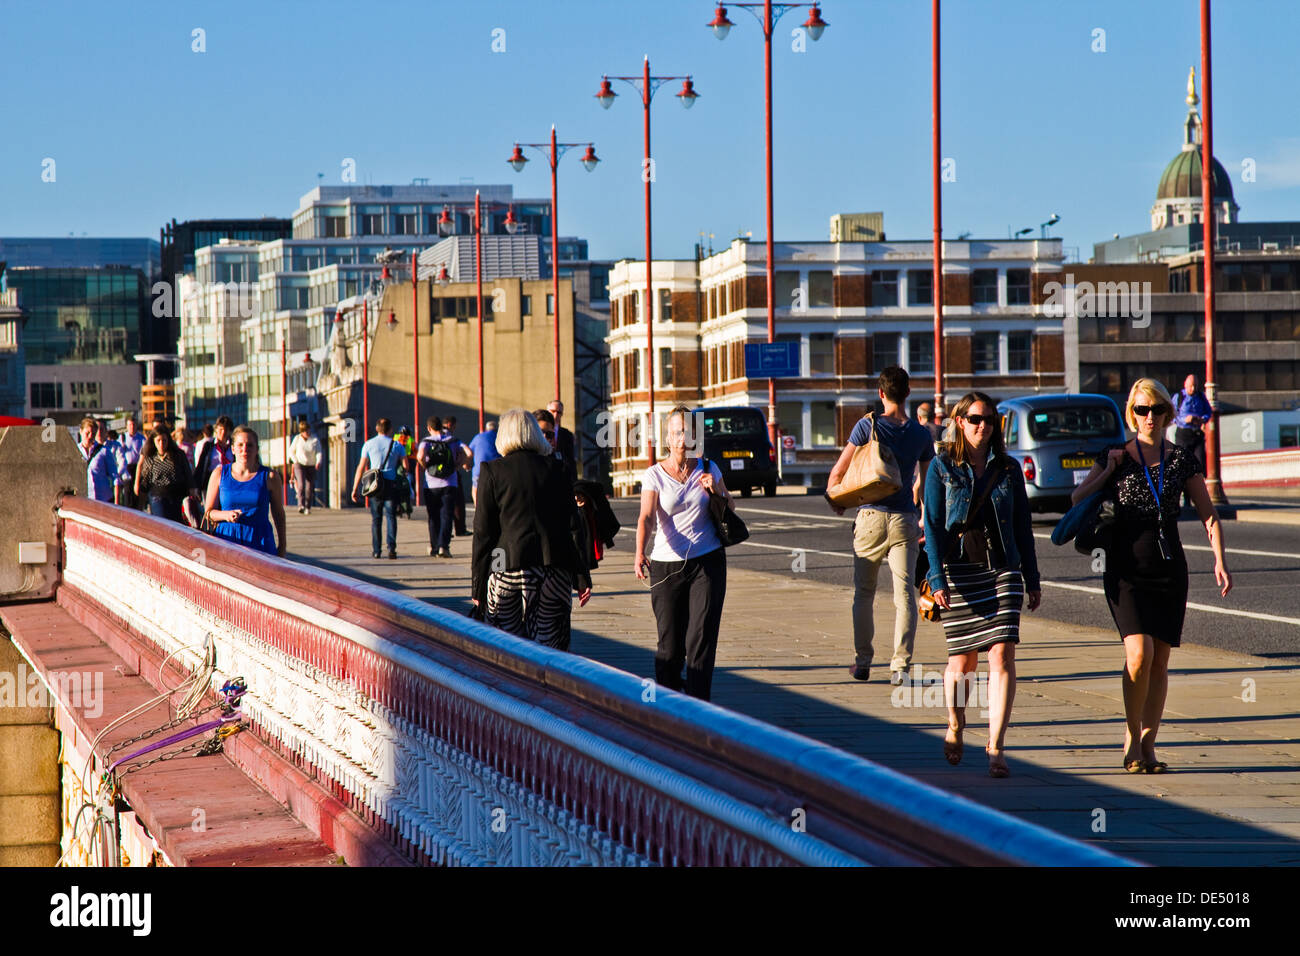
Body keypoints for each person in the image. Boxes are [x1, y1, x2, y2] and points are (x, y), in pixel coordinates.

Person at [1071, 378, 1231, 774]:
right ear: (1131, 413)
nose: (1149, 417)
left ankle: (1148, 743)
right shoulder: (1115, 455)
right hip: (1125, 567)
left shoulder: (1179, 459)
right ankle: (1131, 736)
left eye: (1156, 410)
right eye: (1141, 410)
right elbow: (1076, 501)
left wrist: (1219, 560)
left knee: (1159, 661)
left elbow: (1208, 513)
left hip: (1168, 566)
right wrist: (1106, 471)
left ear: (1167, 413)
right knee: (1138, 655)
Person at [923, 391, 1042, 779]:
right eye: (975, 419)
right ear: (960, 421)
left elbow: (1023, 525)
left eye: (990, 420)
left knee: (1002, 654)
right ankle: (956, 724)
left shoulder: (1007, 470)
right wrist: (937, 577)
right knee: (962, 662)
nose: (983, 426)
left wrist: (1032, 577)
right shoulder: (941, 467)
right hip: (960, 570)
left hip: (1002, 569)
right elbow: (934, 526)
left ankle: (996, 746)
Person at [826, 367, 936, 686]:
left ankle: (863, 662)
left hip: (871, 516)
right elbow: (926, 484)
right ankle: (900, 665)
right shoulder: (920, 434)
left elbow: (838, 472)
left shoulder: (867, 425)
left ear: (881, 393)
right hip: (904, 519)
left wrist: (836, 500)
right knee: (904, 594)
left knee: (864, 593)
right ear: (908, 393)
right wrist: (924, 521)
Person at [635, 404, 734, 701]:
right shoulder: (654, 475)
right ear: (667, 437)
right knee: (670, 645)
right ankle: (667, 706)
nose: (682, 439)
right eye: (677, 433)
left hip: (708, 562)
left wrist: (715, 490)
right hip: (666, 566)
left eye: (688, 433)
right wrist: (640, 551)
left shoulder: (708, 468)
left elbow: (730, 508)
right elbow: (647, 517)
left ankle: (699, 708)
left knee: (700, 640)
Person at [471, 408, 591, 649]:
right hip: (553, 567)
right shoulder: (558, 469)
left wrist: (478, 585)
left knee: (505, 647)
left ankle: (510, 686)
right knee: (550, 646)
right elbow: (573, 526)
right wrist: (581, 576)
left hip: (505, 564)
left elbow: (484, 533)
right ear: (535, 433)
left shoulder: (492, 471)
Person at [203, 426, 286, 557]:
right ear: (233, 449)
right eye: (240, 445)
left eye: (250, 445)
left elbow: (279, 514)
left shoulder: (270, 476)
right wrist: (226, 515)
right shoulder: (219, 474)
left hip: (260, 540)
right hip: (227, 539)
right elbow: (208, 513)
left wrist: (282, 546)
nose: (244, 449)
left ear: (257, 449)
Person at [416, 416, 467, 558]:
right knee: (447, 516)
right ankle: (444, 547)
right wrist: (457, 466)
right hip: (450, 483)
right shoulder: (453, 440)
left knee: (433, 517)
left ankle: (434, 547)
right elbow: (468, 452)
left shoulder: (426, 442)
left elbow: (420, 456)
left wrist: (426, 467)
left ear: (429, 428)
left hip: (431, 485)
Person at [351, 418, 402, 559]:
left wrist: (355, 488)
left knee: (376, 519)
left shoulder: (368, 444)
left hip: (374, 486)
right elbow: (406, 466)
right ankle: (391, 549)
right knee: (391, 517)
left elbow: (361, 467)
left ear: (377, 428)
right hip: (390, 484)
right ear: (390, 429)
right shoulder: (397, 445)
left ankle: (376, 550)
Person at [134, 424, 193, 522]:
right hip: (157, 497)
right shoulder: (151, 458)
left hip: (175, 497)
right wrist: (139, 489)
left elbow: (187, 472)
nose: (161, 444)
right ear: (154, 441)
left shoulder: (177, 455)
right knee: (163, 523)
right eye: (158, 441)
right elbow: (146, 479)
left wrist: (192, 488)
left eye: (164, 441)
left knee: (176, 525)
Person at [1172, 373, 1212, 504]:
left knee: (1198, 465)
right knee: (1183, 466)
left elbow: (1208, 412)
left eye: (1195, 386)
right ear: (1185, 385)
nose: (1193, 389)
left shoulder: (1201, 396)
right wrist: (1185, 419)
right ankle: (1186, 497)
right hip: (1183, 434)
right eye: (1191, 386)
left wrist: (1202, 419)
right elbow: (1172, 415)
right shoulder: (1179, 397)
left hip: (1197, 434)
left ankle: (1197, 496)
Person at [77, 418, 119, 504]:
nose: (90, 436)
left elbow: (115, 477)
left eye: (93, 434)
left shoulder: (104, 451)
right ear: (81, 431)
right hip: (83, 499)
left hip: (103, 499)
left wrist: (117, 502)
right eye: (87, 433)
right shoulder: (74, 451)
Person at [288, 421, 322, 514]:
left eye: (308, 431)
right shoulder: (297, 439)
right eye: (305, 431)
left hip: (311, 465)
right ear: (301, 432)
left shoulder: (314, 439)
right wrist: (295, 461)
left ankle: (307, 506)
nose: (307, 433)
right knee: (301, 484)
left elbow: (319, 451)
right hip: (299, 464)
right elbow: (291, 451)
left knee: (310, 487)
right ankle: (301, 505)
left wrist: (318, 461)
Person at [444, 416, 470, 536]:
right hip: (452, 475)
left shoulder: (431, 439)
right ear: (450, 425)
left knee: (442, 505)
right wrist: (461, 464)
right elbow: (469, 452)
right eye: (454, 426)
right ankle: (460, 529)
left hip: (434, 478)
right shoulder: (453, 440)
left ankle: (444, 531)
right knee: (458, 502)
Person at [468, 421, 502, 504]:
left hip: (479, 470)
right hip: (497, 471)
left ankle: (477, 509)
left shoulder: (478, 437)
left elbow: (469, 452)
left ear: (486, 429)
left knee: (475, 490)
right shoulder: (499, 437)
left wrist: (466, 464)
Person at [547, 399, 579, 483]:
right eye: (553, 411)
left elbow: (571, 459)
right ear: (547, 411)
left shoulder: (567, 435)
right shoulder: (539, 431)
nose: (555, 415)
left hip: (561, 476)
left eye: (559, 412)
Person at [119, 417, 146, 509]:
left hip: (137, 468)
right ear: (127, 426)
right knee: (128, 493)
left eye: (133, 425)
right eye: (130, 425)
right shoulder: (122, 438)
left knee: (137, 495)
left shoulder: (141, 438)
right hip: (127, 469)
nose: (132, 427)